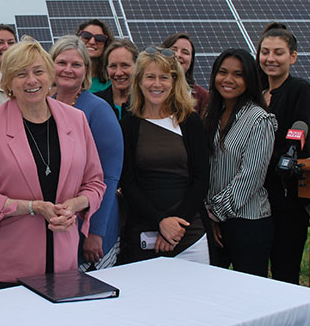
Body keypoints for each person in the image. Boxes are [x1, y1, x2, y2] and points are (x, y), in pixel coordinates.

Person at [0, 37, 105, 289]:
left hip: (64, 262)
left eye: (38, 71)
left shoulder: (77, 119)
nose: (31, 80)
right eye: (21, 74)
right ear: (8, 82)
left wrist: (75, 205)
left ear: (50, 75)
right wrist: (32, 207)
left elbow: (95, 183)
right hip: (9, 266)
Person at [118, 47, 209, 265]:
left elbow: (201, 179)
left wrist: (175, 227)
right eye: (150, 77)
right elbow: (128, 182)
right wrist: (160, 222)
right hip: (145, 231)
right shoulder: (128, 124)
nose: (156, 84)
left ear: (174, 81)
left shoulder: (190, 121)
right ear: (139, 81)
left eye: (164, 78)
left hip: (190, 234)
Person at [50, 36, 124, 270]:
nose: (68, 70)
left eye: (76, 64)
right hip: (58, 223)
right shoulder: (43, 105)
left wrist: (95, 231)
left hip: (91, 225)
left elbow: (109, 177)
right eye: (61, 62)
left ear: (86, 71)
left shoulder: (98, 110)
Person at [203, 49, 276, 277]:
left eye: (238, 74)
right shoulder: (212, 114)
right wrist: (210, 217)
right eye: (223, 72)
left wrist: (215, 214)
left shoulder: (260, 120)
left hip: (248, 224)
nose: (228, 80)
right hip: (214, 222)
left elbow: (250, 178)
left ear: (249, 80)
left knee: (250, 296)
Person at [257, 22, 310, 284]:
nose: (270, 59)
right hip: (257, 198)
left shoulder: (299, 90)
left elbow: (303, 144)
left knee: (284, 270)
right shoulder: (257, 94)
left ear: (292, 56)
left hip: (287, 200)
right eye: (265, 52)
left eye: (278, 52)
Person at [162, 32, 210, 114]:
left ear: (191, 60)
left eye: (185, 52)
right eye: (173, 50)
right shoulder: (149, 88)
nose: (178, 54)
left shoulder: (203, 96)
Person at [95, 38, 138, 121]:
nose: (118, 73)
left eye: (125, 65)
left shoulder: (147, 104)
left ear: (137, 66)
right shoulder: (95, 103)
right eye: (113, 66)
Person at [76, 19, 114, 93]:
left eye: (99, 38)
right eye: (86, 36)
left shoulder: (113, 82)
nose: (92, 42)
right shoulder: (64, 78)